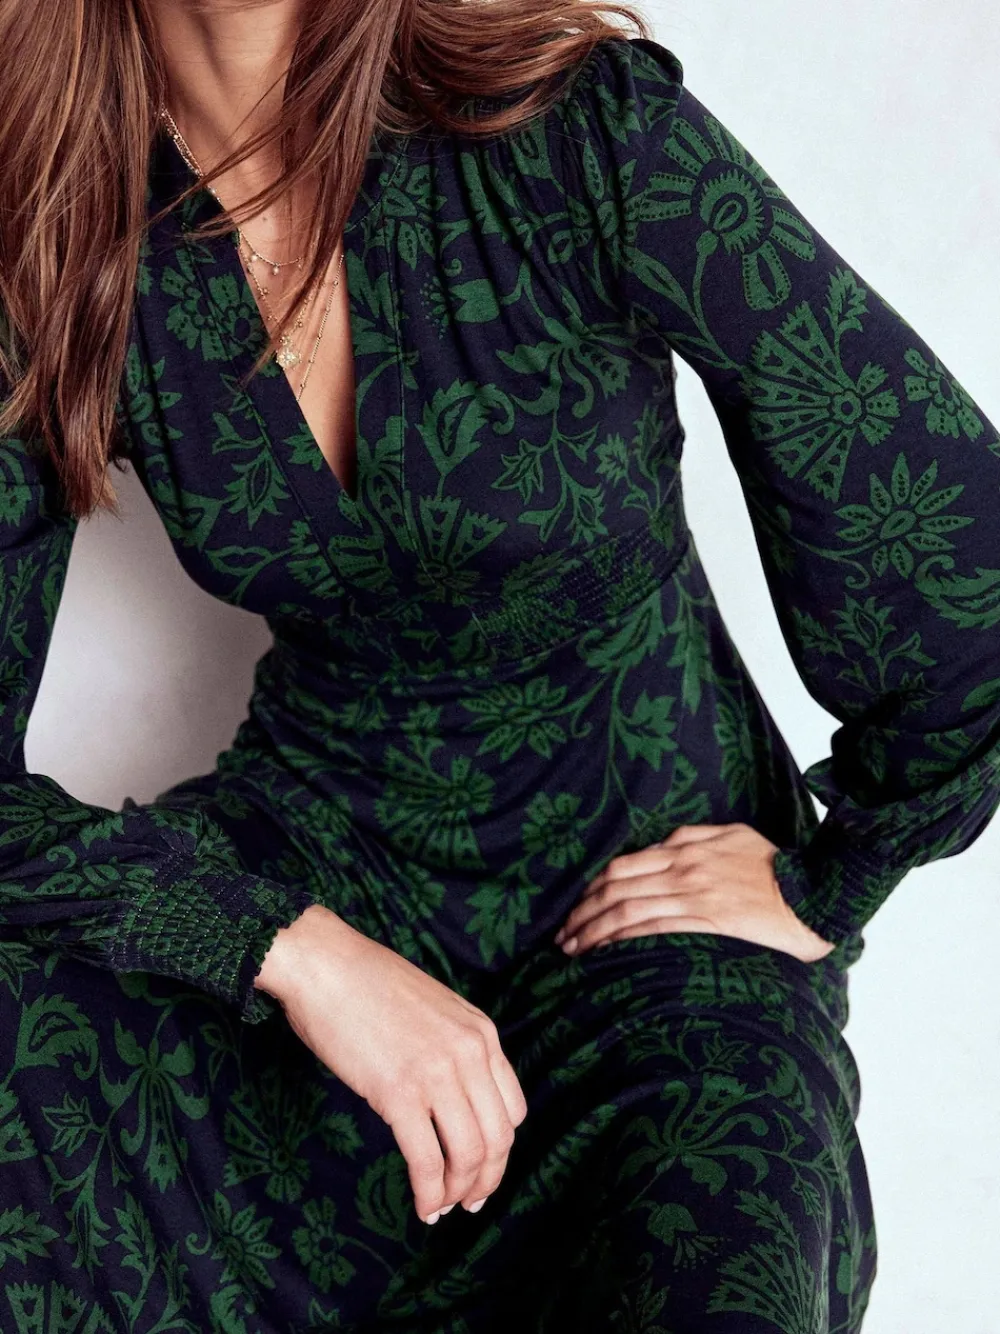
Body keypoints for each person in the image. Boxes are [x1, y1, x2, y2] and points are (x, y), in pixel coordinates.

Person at [1, 0, 998, 1329]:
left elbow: (953, 538)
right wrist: (284, 946)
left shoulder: (574, 130)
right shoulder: (55, 230)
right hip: (324, 892)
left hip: (649, 927)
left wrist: (834, 877)